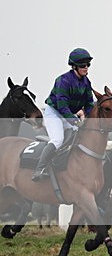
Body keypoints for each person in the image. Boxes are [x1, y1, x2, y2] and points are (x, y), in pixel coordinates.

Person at [32, 48, 96, 181]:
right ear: (74, 66)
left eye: (88, 65)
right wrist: (74, 120)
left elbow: (90, 103)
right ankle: (39, 169)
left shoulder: (86, 82)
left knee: (77, 135)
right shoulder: (63, 80)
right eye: (82, 65)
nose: (86, 68)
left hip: (68, 114)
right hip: (54, 112)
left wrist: (88, 116)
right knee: (57, 140)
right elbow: (62, 106)